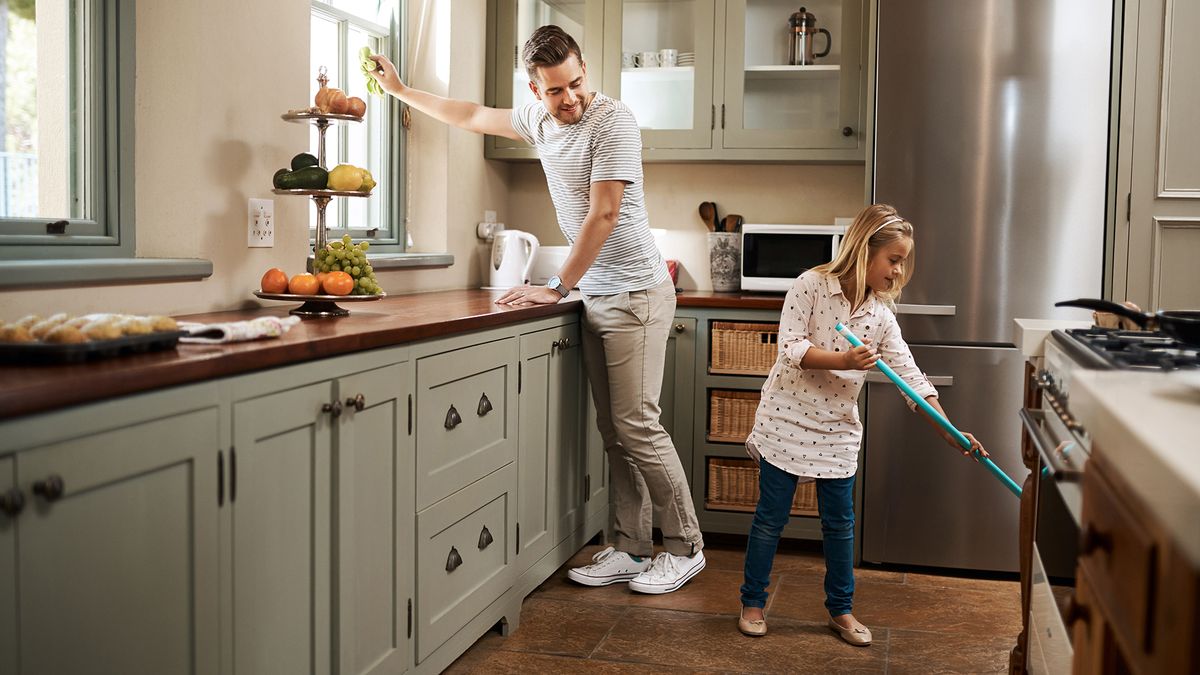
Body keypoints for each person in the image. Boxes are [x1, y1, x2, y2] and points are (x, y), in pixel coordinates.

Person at [366, 25, 706, 594]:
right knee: (615, 430)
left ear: (584, 71)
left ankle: (685, 545)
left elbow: (605, 214)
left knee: (638, 426)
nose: (569, 98)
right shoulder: (537, 121)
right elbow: (470, 114)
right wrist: (401, 91)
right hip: (597, 293)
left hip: (636, 293)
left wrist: (555, 285)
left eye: (575, 83)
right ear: (534, 89)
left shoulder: (613, 121)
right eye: (555, 91)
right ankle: (630, 545)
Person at [736, 203, 989, 644]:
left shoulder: (880, 317)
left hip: (836, 429)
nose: (897, 272)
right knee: (770, 519)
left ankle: (841, 610)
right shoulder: (810, 286)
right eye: (893, 260)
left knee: (839, 525)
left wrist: (950, 431)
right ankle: (753, 601)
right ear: (863, 251)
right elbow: (791, 348)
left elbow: (912, 379)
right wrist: (844, 359)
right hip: (786, 419)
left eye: (902, 262)